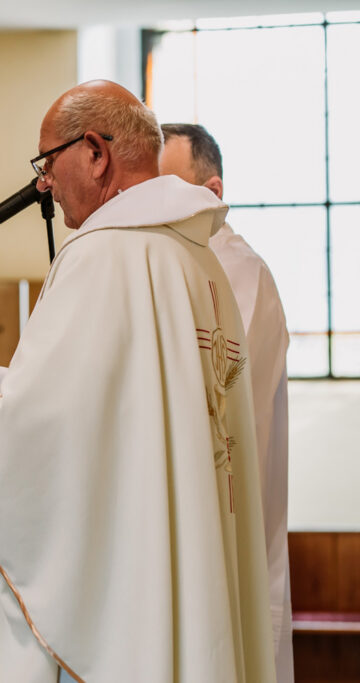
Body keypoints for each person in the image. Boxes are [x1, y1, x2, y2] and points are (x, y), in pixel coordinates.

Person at [0, 81, 275, 682]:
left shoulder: (103, 253)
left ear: (95, 152)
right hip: (172, 547)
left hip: (121, 576)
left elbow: (46, 437)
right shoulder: (193, 256)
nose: (43, 183)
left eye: (47, 161)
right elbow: (113, 402)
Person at [160, 122, 293, 683]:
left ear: (212, 192)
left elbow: (213, 389)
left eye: (168, 191)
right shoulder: (174, 263)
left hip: (227, 517)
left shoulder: (238, 272)